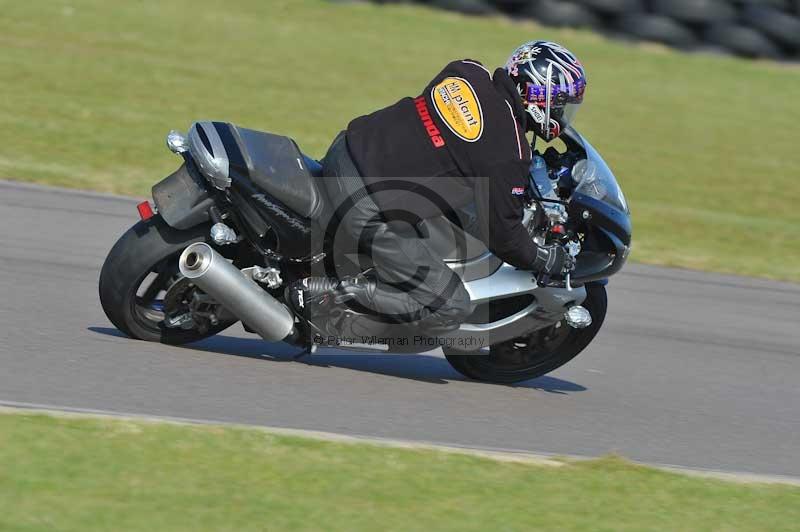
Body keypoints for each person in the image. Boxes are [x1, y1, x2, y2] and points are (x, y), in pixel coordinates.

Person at [289, 41, 586, 336]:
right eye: (563, 106)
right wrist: (545, 258)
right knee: (451, 306)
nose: (563, 116)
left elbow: (456, 149)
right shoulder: (509, 151)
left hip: (346, 151)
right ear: (540, 97)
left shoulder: (467, 71)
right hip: (364, 204)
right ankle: (327, 297)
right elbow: (504, 236)